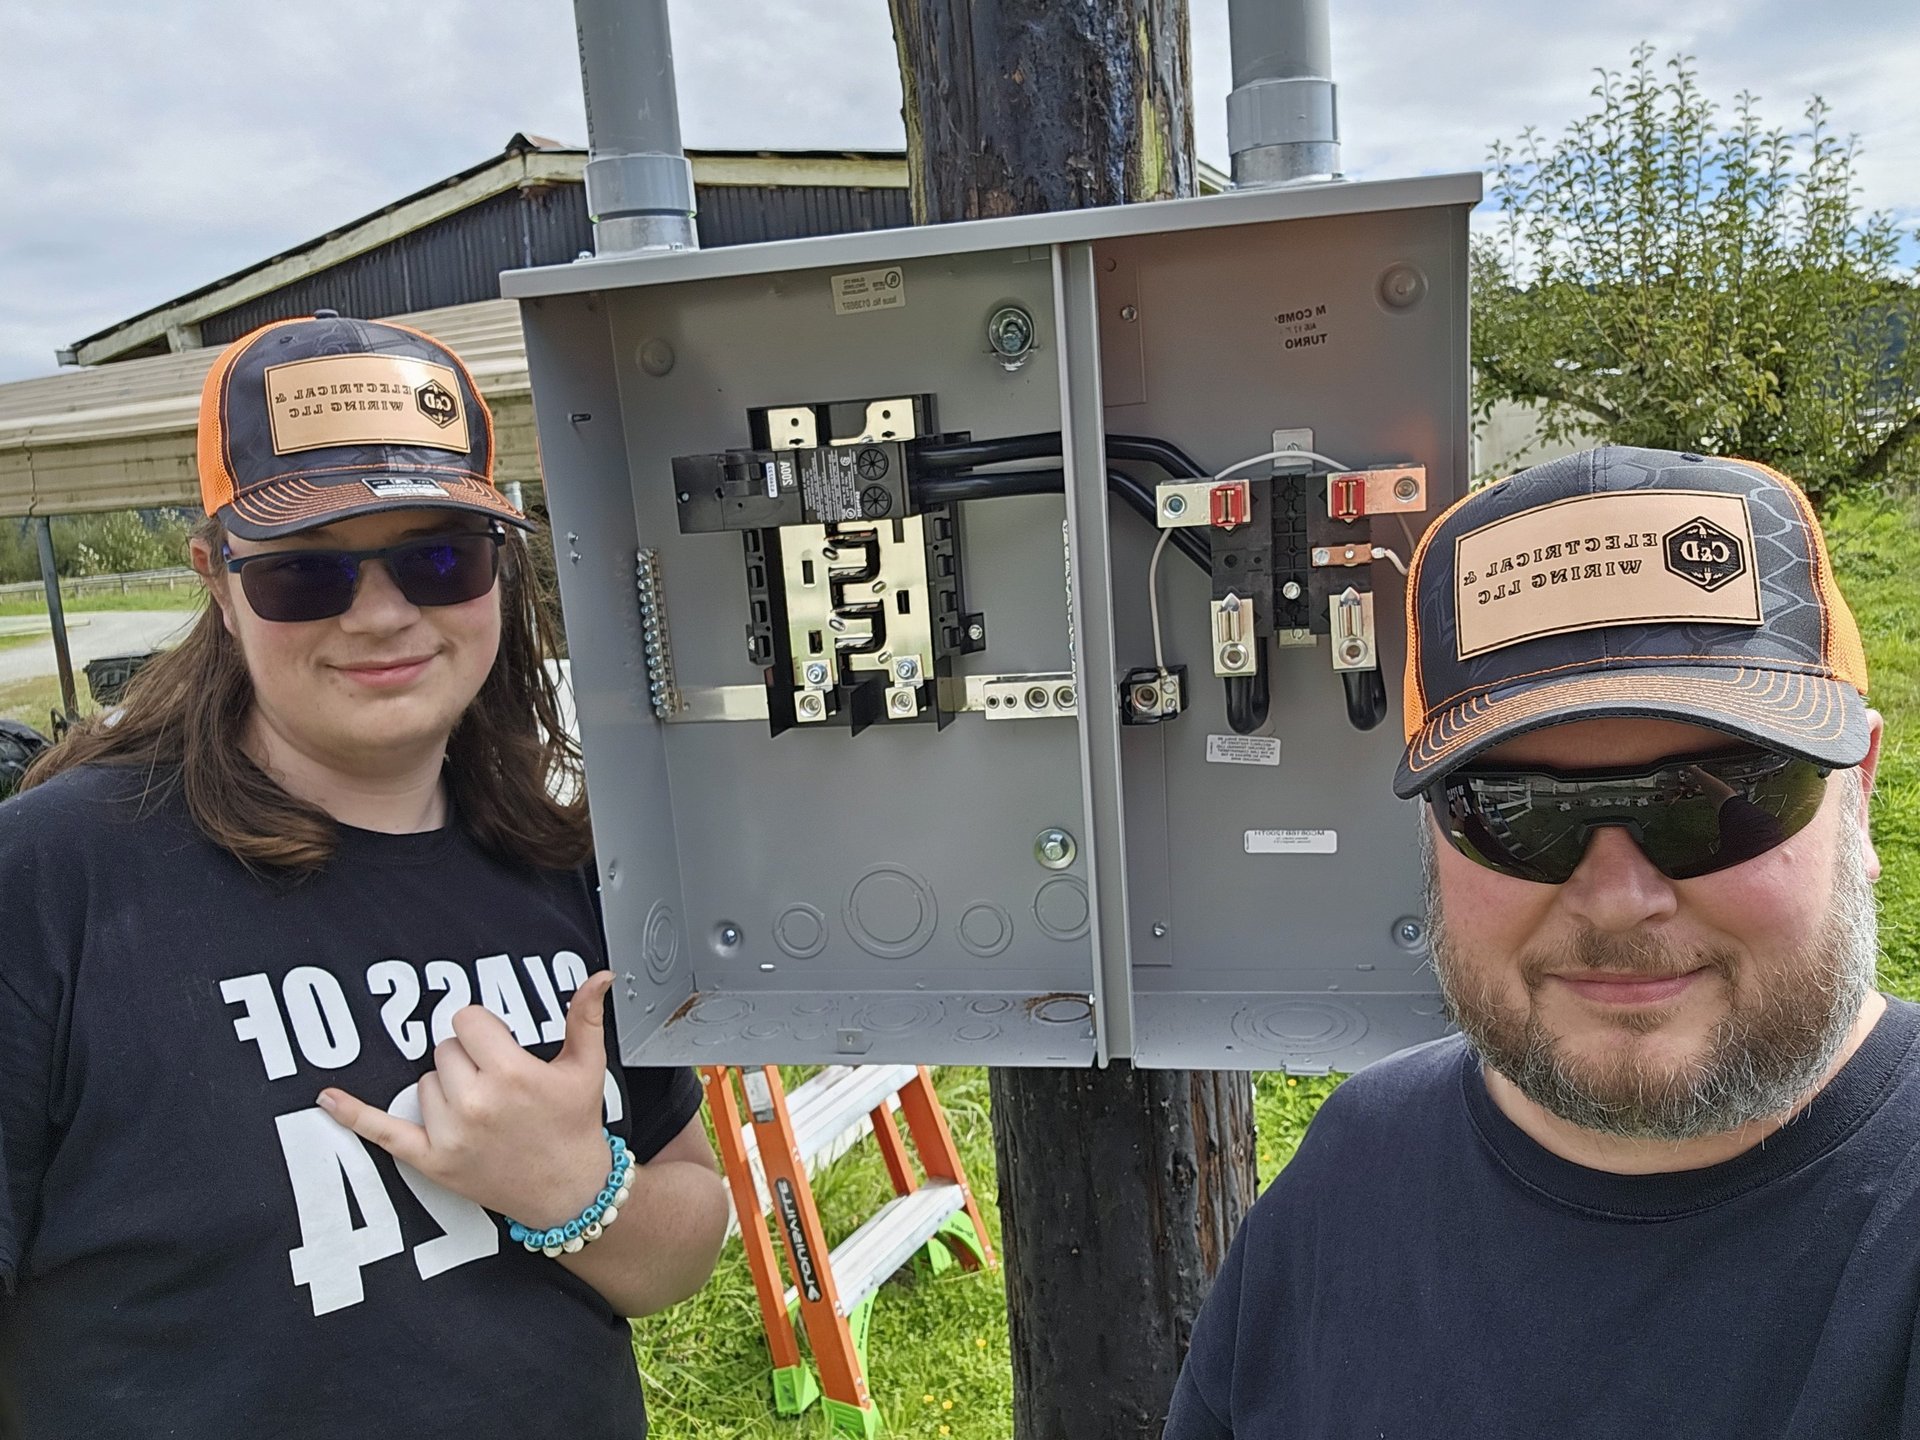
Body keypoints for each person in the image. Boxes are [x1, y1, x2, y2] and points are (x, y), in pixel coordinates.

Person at [0, 313, 730, 1438]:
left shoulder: (565, 867)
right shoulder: (54, 880)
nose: (383, 612)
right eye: (305, 575)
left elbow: (688, 1235)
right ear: (220, 580)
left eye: (440, 555)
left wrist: (571, 1189)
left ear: (503, 569)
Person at [1166, 447, 1915, 1438]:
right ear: (1434, 830)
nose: (1616, 900)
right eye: (1513, 812)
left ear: (1856, 794)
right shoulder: (1352, 1172)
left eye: (1717, 799)